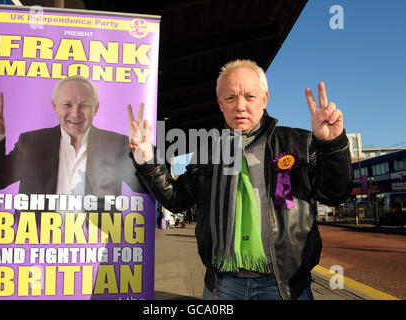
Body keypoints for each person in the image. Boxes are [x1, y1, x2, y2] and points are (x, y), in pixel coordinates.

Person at [129, 59, 351, 300]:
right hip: (223, 285)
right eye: (231, 98)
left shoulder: (299, 143)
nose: (240, 106)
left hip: (285, 287)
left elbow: (335, 194)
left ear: (265, 98)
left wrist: (332, 145)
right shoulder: (207, 151)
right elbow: (177, 199)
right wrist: (147, 159)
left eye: (250, 96)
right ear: (220, 103)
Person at [0, 76, 145, 209]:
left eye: (85, 105)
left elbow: (142, 188)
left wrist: (144, 158)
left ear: (96, 108)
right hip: (37, 243)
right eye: (67, 104)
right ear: (55, 106)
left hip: (95, 244)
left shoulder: (117, 144)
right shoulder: (31, 142)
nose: (75, 113)